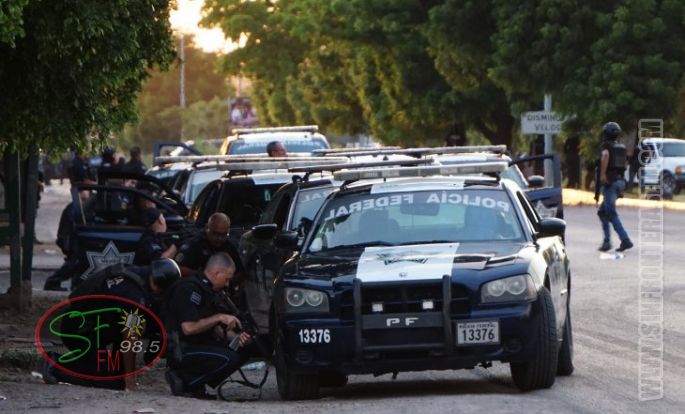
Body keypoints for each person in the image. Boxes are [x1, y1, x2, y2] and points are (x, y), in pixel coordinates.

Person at [41, 259, 181, 391]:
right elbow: (130, 339)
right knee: (113, 381)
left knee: (116, 372)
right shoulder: (133, 295)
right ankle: (55, 366)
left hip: (89, 326)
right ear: (158, 284)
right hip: (79, 332)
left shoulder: (139, 275)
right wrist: (129, 378)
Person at [164, 252, 252, 399]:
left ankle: (197, 385)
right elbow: (189, 328)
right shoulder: (188, 288)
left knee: (243, 350)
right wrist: (219, 317)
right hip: (182, 350)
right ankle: (184, 380)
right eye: (226, 279)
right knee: (230, 358)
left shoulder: (209, 291)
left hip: (199, 344)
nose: (227, 284)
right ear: (217, 273)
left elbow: (215, 330)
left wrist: (238, 338)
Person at [43, 189, 92, 291]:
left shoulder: (80, 206)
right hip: (71, 241)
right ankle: (53, 282)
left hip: (73, 241)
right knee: (74, 263)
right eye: (87, 190)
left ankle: (75, 285)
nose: (89, 193)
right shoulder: (74, 208)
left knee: (78, 264)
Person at [596, 122, 633, 252]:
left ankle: (625, 240)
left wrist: (603, 174)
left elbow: (605, 155)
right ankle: (606, 241)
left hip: (610, 183)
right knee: (602, 212)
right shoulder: (620, 147)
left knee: (611, 212)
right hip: (620, 182)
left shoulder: (606, 146)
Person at [175, 213, 244, 280]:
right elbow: (178, 268)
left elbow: (240, 272)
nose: (219, 238)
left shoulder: (229, 246)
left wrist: (226, 280)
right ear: (207, 228)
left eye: (223, 235)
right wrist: (204, 276)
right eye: (215, 233)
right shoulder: (195, 243)